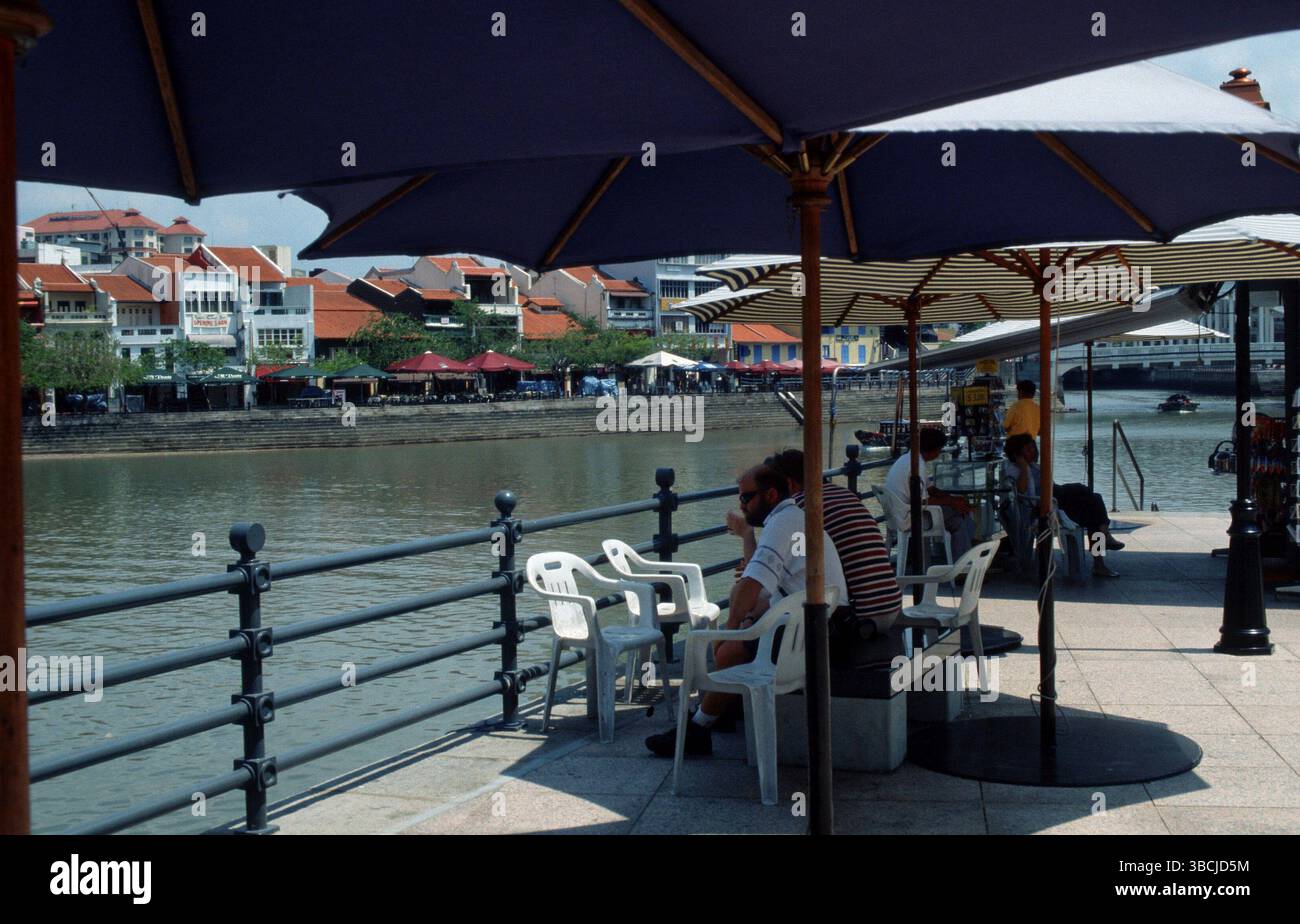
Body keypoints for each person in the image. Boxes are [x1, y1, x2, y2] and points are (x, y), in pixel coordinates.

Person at [644, 463, 848, 758]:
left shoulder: (782, 523)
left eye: (746, 498)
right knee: (735, 639)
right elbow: (761, 590)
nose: (741, 505)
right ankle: (717, 712)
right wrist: (744, 619)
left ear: (771, 494)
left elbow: (750, 585)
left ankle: (699, 728)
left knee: (730, 649)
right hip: (824, 621)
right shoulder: (793, 518)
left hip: (818, 630)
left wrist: (731, 626)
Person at [727, 449, 902, 667]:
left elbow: (768, 580)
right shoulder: (843, 493)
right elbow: (799, 559)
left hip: (855, 616)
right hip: (890, 606)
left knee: (747, 622)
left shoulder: (801, 508)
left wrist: (749, 543)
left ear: (788, 484)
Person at [1003, 433, 1123, 577]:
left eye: (1033, 448)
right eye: (1028, 450)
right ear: (1017, 454)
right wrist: (1023, 467)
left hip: (1055, 499)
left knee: (1094, 512)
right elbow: (1021, 492)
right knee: (1091, 498)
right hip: (1045, 505)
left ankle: (1101, 541)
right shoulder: (1015, 470)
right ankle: (1102, 549)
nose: (1033, 452)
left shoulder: (1033, 466)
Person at [883, 427, 976, 563]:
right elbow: (922, 501)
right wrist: (952, 503)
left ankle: (959, 561)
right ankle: (963, 565)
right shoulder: (916, 465)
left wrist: (952, 499)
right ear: (934, 449)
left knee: (957, 513)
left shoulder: (907, 458)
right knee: (959, 518)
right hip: (910, 517)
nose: (939, 453)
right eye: (939, 449)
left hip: (897, 514)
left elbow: (930, 488)